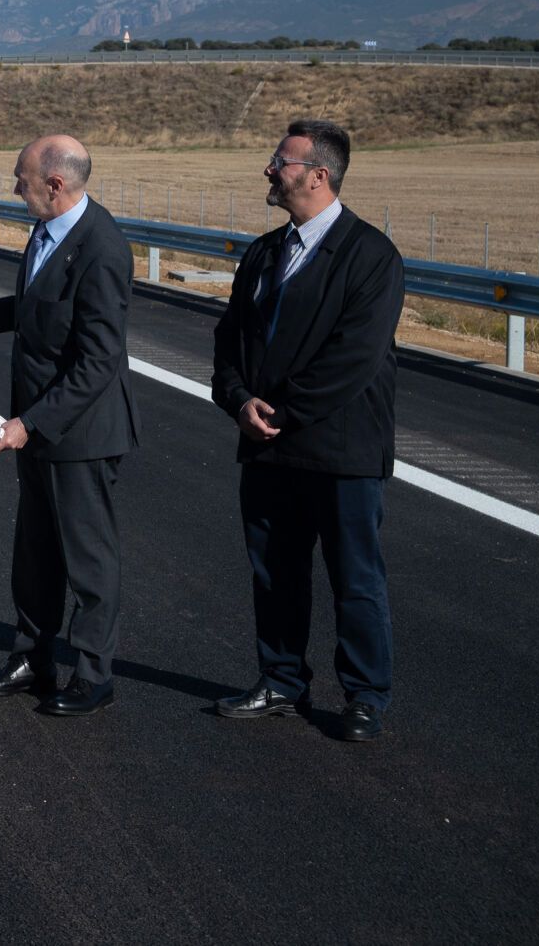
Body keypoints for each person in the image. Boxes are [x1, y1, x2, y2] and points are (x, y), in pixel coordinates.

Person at [0, 134, 138, 717]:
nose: (15, 189)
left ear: (55, 184)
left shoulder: (102, 247)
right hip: (41, 425)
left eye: (22, 180)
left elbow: (98, 360)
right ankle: (32, 659)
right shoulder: (48, 232)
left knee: (88, 561)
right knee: (35, 554)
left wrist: (32, 421)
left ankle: (92, 675)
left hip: (79, 432)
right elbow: (40, 306)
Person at [211, 119, 403, 742]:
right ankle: (281, 681)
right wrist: (239, 401)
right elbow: (230, 340)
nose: (269, 169)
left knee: (356, 579)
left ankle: (365, 696)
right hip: (267, 447)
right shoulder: (263, 253)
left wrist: (282, 412)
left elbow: (353, 358)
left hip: (342, 451)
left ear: (318, 175)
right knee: (275, 574)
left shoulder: (371, 256)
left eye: (281, 161)